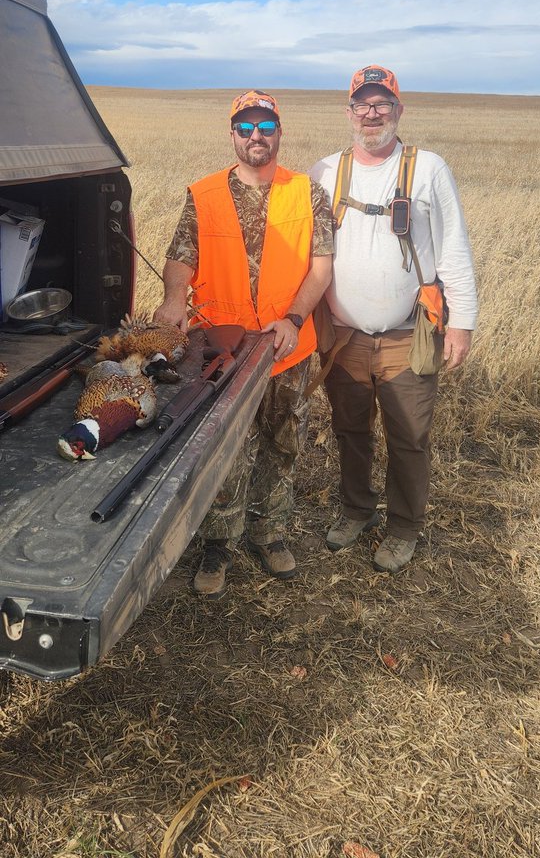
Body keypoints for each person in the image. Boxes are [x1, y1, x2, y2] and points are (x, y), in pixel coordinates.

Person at [154, 90, 334, 598]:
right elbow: (180, 256)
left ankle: (269, 531)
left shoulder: (308, 191)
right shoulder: (204, 193)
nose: (256, 135)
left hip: (283, 345)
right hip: (223, 346)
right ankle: (217, 542)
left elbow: (321, 266)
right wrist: (173, 299)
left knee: (281, 442)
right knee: (222, 449)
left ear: (279, 132)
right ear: (233, 133)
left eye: (266, 125)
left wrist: (294, 319)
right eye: (246, 126)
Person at [310, 65, 477, 573]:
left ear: (398, 111)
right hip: (344, 338)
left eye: (382, 103)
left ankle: (404, 526)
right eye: (363, 104)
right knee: (349, 429)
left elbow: (454, 249)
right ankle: (356, 510)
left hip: (410, 335)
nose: (372, 113)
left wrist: (462, 323)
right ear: (349, 113)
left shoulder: (427, 168)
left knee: (408, 436)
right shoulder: (324, 171)